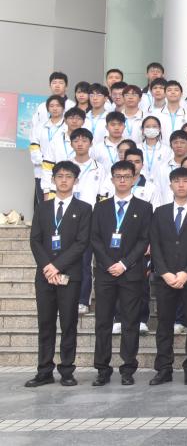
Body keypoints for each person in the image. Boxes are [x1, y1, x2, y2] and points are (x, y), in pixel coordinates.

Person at [26, 161, 91, 388]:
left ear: (76, 180)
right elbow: (35, 240)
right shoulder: (43, 208)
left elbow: (81, 243)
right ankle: (44, 370)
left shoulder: (84, 209)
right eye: (60, 176)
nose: (64, 180)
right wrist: (48, 267)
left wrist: (57, 266)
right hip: (45, 276)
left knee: (68, 323)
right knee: (45, 323)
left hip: (70, 275)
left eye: (68, 176)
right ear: (53, 180)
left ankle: (67, 370)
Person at [89, 161, 152, 387]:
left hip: (131, 273)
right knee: (103, 322)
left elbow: (144, 240)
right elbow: (95, 238)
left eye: (127, 176)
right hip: (105, 273)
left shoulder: (144, 208)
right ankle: (102, 369)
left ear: (134, 179)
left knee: (130, 322)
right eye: (118, 176)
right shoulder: (101, 207)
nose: (123, 180)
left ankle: (128, 368)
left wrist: (124, 264)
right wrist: (109, 264)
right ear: (112, 179)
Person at [148, 167, 187, 386]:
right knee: (164, 324)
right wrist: (164, 272)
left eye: (186, 181)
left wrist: (186, 273)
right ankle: (163, 368)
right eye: (177, 181)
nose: (181, 185)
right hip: (165, 278)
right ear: (170, 185)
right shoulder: (160, 212)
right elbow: (155, 244)